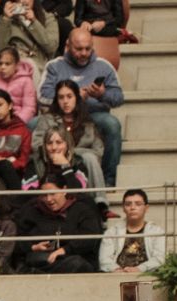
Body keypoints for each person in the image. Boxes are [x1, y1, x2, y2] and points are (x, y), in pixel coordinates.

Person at [37, 28, 121, 185]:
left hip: (93, 114)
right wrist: (70, 97)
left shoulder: (104, 66)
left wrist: (102, 94)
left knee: (112, 124)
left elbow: (119, 98)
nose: (84, 53)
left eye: (88, 49)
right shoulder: (54, 66)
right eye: (79, 49)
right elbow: (42, 95)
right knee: (32, 124)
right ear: (68, 46)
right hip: (59, 115)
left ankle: (108, 179)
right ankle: (38, 178)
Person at [31, 78, 105, 188]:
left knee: (90, 158)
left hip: (80, 165)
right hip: (53, 164)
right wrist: (57, 152)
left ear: (76, 98)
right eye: (61, 97)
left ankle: (99, 198)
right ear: (57, 100)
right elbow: (36, 144)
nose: (65, 101)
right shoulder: (47, 120)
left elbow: (98, 151)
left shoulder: (87, 123)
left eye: (69, 97)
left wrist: (71, 153)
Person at [10, 184, 101, 271]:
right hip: (41, 259)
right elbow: (17, 239)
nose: (48, 199)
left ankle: (32, 271)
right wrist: (33, 247)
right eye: (44, 195)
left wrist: (64, 250)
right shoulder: (32, 210)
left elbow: (89, 238)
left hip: (73, 258)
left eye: (53, 194)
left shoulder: (82, 209)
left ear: (64, 190)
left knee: (77, 263)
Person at [97, 186, 166, 271]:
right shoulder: (112, 232)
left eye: (138, 204)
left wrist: (139, 269)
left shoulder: (157, 232)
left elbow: (159, 259)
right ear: (123, 208)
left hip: (146, 276)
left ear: (146, 208)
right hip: (117, 276)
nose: (132, 207)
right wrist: (116, 269)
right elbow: (104, 259)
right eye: (128, 204)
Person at [0, 0, 57, 71]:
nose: (23, 1)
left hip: (36, 65)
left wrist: (34, 22)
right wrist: (6, 19)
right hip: (11, 66)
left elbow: (51, 47)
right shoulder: (7, 19)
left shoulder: (47, 18)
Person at [0, 43, 37, 125]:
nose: (3, 67)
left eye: (7, 64)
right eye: (0, 63)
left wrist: (15, 123)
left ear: (17, 65)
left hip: (19, 122)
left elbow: (29, 108)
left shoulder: (26, 81)